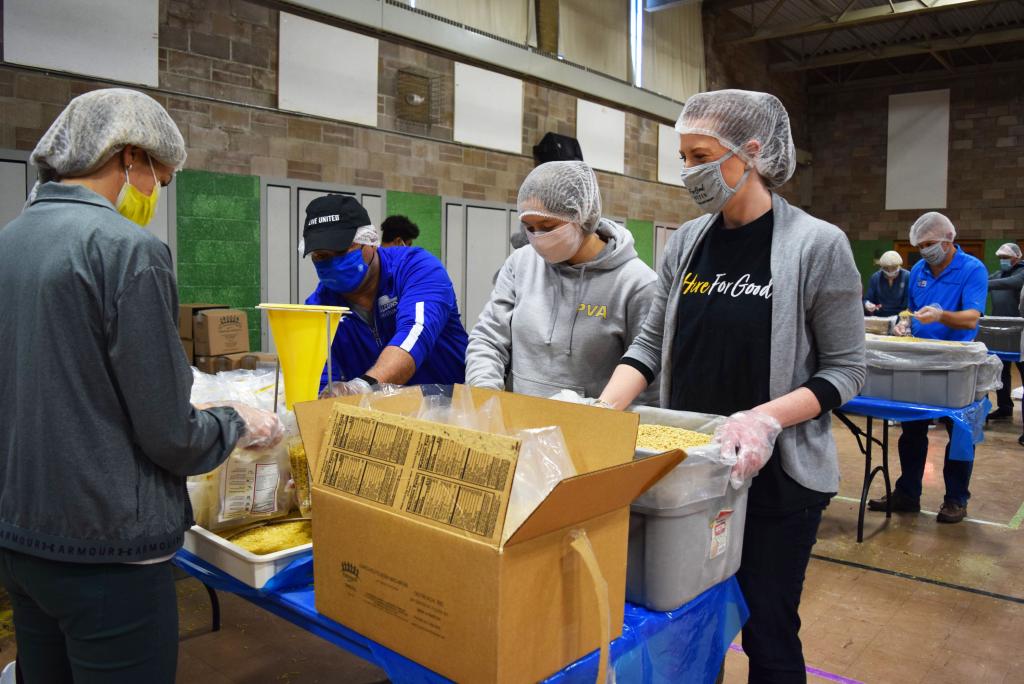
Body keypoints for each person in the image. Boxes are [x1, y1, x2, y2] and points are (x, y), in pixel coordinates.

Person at [0, 88, 282, 683]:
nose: (155, 193)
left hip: (23, 535)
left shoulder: (11, 241)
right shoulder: (129, 252)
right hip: (110, 552)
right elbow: (166, 431)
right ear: (131, 158)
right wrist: (236, 423)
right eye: (164, 177)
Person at [596, 89, 866, 683]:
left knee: (767, 628)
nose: (689, 171)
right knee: (688, 628)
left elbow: (847, 370)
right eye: (684, 157)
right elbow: (646, 347)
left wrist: (765, 419)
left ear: (751, 153)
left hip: (776, 480)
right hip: (689, 476)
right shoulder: (686, 243)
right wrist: (601, 411)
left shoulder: (817, 245)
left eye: (700, 155)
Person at [466, 161, 659, 402]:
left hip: (589, 428)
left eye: (548, 227)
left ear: (583, 217)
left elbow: (648, 380)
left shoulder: (636, 283)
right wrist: (485, 396)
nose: (538, 238)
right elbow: (488, 338)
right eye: (529, 227)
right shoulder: (520, 263)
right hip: (519, 420)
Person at [869, 212, 988, 523]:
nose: (924, 251)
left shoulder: (972, 269)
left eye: (929, 244)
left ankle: (956, 498)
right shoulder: (919, 269)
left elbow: (972, 317)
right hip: (920, 357)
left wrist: (941, 315)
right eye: (920, 245)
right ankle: (908, 493)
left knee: (959, 433)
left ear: (948, 241)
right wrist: (904, 323)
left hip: (957, 361)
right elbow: (910, 309)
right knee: (912, 429)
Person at [303, 195, 468, 394]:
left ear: (370, 241)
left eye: (341, 251)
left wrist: (362, 387)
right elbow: (318, 379)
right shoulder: (320, 308)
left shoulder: (416, 268)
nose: (332, 263)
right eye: (321, 256)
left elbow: (416, 333)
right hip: (380, 419)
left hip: (451, 408)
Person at [987, 242, 1024, 420]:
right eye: (1000, 258)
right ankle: (1004, 407)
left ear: (1017, 257)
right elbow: (985, 282)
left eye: (1006, 257)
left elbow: (1013, 282)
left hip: (1020, 332)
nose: (1003, 261)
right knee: (1001, 370)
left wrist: (986, 283)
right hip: (1000, 330)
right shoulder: (998, 274)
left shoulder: (1021, 272)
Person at [864, 250, 909, 317]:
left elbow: (909, 302)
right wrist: (867, 304)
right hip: (879, 316)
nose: (890, 272)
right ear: (882, 267)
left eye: (893, 269)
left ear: (899, 266)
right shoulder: (876, 277)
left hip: (900, 316)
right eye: (886, 269)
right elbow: (867, 299)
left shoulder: (907, 276)